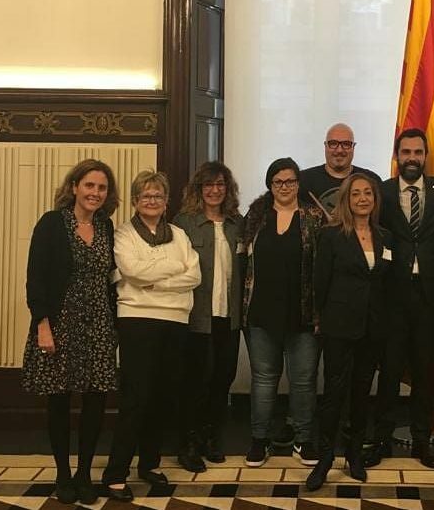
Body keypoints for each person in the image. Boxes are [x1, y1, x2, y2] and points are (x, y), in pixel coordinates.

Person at [22, 159, 120, 505]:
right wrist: (43, 326)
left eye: (102, 187)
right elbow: (36, 278)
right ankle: (63, 473)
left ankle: (84, 475)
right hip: (61, 324)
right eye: (89, 185)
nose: (95, 193)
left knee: (95, 402)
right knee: (60, 401)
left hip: (99, 325)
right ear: (75, 186)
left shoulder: (107, 227)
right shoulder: (52, 223)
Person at [102, 171, 200, 502]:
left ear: (166, 200)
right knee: (136, 398)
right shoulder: (123, 235)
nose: (152, 201)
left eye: (158, 195)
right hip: (136, 321)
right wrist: (172, 274)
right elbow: (132, 271)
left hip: (175, 321)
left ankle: (149, 464)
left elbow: (195, 274)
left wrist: (153, 283)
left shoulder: (180, 234)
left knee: (161, 396)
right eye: (146, 196)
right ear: (134, 201)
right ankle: (115, 473)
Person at [365, 128, 434, 469]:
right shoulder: (382, 192)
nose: (413, 158)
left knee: (423, 371)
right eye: (406, 152)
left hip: (429, 298)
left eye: (418, 152)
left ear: (426, 156)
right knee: (388, 372)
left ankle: (423, 439)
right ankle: (380, 439)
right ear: (397, 155)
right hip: (391, 296)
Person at [306, 174, 393, 491]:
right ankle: (325, 458)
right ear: (346, 199)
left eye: (367, 193)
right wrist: (320, 318)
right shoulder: (331, 236)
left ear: (374, 198)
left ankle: (354, 454)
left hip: (373, 328)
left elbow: (385, 283)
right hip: (339, 326)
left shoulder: (385, 236)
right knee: (334, 394)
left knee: (361, 393)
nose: (362, 198)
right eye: (355, 193)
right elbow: (321, 281)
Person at [242, 157, 326, 468]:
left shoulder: (313, 216)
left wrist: (321, 314)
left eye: (290, 181)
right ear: (269, 185)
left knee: (303, 380)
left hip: (303, 314)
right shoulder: (256, 215)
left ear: (298, 184)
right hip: (261, 313)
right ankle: (259, 440)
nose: (284, 187)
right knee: (264, 379)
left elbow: (323, 266)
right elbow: (243, 262)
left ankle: (303, 441)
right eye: (278, 182)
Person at [173, 161, 245, 472]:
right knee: (195, 381)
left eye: (220, 185)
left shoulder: (237, 224)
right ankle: (188, 443)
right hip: (195, 317)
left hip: (228, 316)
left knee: (222, 379)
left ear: (228, 190)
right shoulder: (184, 223)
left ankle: (211, 437)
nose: (215, 191)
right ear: (199, 189)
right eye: (208, 185)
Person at [299, 122, 381, 218]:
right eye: (333, 144)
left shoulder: (372, 180)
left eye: (346, 144)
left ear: (353, 147)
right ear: (325, 146)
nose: (339, 150)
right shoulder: (303, 181)